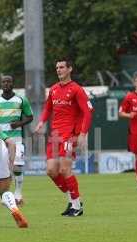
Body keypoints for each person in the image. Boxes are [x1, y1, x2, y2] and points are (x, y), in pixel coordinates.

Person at [34, 58, 93, 217]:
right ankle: (74, 200)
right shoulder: (53, 89)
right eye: (57, 67)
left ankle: (76, 206)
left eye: (61, 67)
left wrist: (82, 133)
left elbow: (88, 112)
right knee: (51, 171)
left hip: (69, 135)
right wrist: (41, 122)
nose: (59, 70)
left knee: (65, 169)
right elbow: (47, 109)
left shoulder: (76, 89)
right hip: (55, 135)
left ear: (69, 69)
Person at [0, 75, 34, 206]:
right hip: (0, 141)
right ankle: (5, 196)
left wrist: (18, 123)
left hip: (16, 139)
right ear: (1, 84)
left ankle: (18, 193)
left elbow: (30, 117)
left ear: (13, 83)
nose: (6, 84)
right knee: (3, 170)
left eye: (9, 81)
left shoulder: (21, 100)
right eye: (4, 82)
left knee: (17, 167)